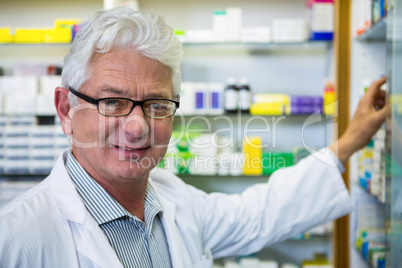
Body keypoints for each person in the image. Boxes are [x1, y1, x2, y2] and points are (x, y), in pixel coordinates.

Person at [0, 7, 387, 268]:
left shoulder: (173, 197)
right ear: (66, 110)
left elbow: (259, 214)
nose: (138, 127)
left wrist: (350, 140)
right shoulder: (17, 239)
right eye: (113, 102)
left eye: (156, 104)